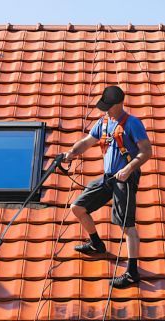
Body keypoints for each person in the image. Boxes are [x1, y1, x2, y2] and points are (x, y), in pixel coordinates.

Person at [64, 85, 152, 288]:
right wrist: (71, 153)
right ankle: (96, 244)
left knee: (126, 225)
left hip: (125, 180)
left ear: (119, 104)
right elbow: (87, 142)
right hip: (108, 178)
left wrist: (129, 169)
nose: (105, 109)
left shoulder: (133, 124)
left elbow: (146, 151)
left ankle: (132, 272)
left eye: (108, 106)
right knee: (78, 207)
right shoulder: (103, 122)